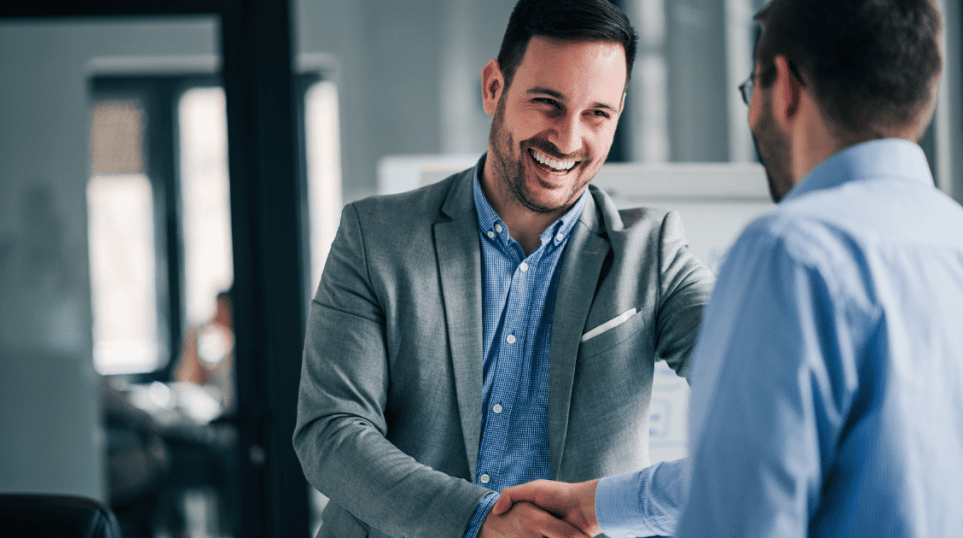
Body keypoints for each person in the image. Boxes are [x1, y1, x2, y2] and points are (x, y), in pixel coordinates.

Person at [494, 0, 963, 536]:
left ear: (783, 86)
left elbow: (741, 514)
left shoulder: (793, 252)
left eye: (751, 88)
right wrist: (600, 503)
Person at [292, 1, 714, 537]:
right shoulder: (375, 238)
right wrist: (478, 522)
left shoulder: (652, 256)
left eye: (596, 114)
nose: (567, 138)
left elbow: (769, 402)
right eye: (547, 103)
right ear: (494, 87)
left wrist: (615, 505)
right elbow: (330, 433)